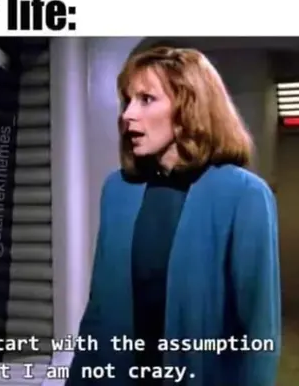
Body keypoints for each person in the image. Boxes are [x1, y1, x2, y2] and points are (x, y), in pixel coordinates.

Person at [66, 46, 281, 386]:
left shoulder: (245, 195)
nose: (128, 115)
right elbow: (99, 309)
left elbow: (259, 331)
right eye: (128, 101)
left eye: (146, 99)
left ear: (188, 108)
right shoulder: (118, 189)